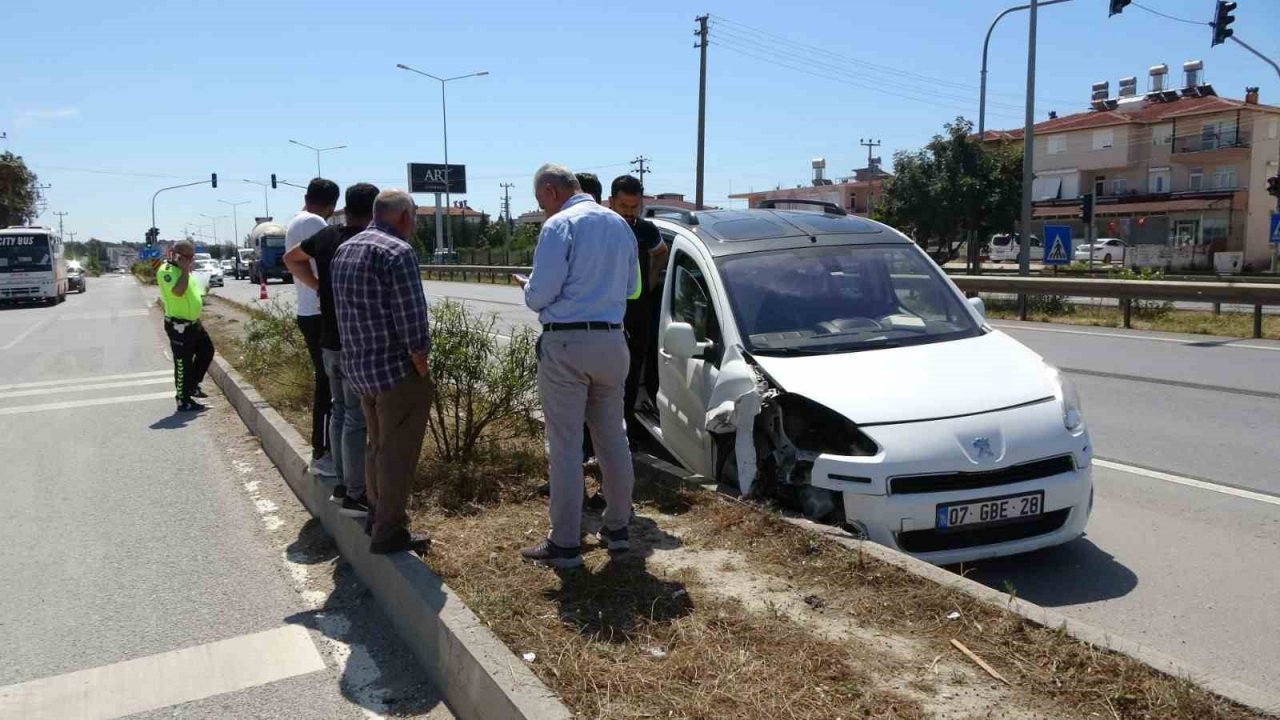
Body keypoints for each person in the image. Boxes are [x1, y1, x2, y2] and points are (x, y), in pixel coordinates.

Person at [518, 164, 639, 569]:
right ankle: (618, 528)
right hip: (612, 339)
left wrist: (530, 290)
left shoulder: (559, 226)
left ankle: (566, 543)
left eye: (540, 202)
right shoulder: (620, 226)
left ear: (551, 192)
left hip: (567, 343)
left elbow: (540, 294)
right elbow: (630, 287)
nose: (543, 210)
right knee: (612, 438)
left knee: (566, 443)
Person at [331, 189, 434, 555]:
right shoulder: (397, 252)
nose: (416, 224)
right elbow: (412, 321)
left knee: (376, 448)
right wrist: (421, 365)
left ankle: (377, 517)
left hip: (360, 370)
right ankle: (388, 531)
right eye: (416, 217)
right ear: (404, 217)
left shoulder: (347, 248)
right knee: (397, 454)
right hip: (395, 373)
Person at [283, 182, 380, 520]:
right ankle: (355, 493)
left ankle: (342, 483)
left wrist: (318, 286)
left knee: (340, 410)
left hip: (328, 336)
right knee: (355, 417)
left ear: (345, 207)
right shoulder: (364, 240)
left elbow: (290, 258)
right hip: (355, 342)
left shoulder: (326, 237)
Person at [286, 178, 341, 478]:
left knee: (327, 381)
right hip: (318, 314)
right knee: (326, 384)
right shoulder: (316, 223)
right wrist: (322, 289)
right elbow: (299, 261)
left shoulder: (297, 220)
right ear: (332, 205)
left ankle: (326, 449)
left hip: (309, 312)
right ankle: (321, 452)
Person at [609, 175, 668, 440]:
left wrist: (651, 280)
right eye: (624, 206)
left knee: (632, 372)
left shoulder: (645, 229)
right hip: (607, 312)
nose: (630, 212)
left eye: (635, 206)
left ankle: (628, 426)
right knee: (607, 376)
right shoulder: (604, 229)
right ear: (612, 202)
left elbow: (660, 252)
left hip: (637, 311)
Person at [156, 240, 215, 413]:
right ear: (178, 256)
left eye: (192, 256)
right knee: (183, 362)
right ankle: (183, 399)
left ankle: (192, 385)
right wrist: (184, 270)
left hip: (193, 323)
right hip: (178, 325)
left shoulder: (185, 271)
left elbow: (193, 292)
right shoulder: (166, 271)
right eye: (188, 256)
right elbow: (178, 292)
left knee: (207, 351)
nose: (191, 259)